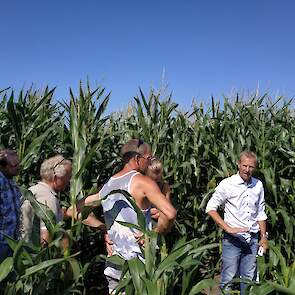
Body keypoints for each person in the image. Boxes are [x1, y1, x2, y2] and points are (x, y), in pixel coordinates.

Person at [81, 139, 177, 293]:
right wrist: (155, 233)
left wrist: (104, 228)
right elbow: (170, 213)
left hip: (114, 264)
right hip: (138, 269)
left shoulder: (108, 185)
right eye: (149, 158)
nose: (150, 162)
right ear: (138, 159)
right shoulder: (143, 182)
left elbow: (76, 210)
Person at [205, 151, 268, 295]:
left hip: (252, 239)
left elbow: (261, 213)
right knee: (228, 278)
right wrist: (227, 228)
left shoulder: (258, 185)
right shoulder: (227, 184)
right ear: (238, 164)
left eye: (251, 166)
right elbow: (210, 208)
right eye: (244, 165)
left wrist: (263, 237)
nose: (247, 169)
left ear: (255, 167)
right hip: (233, 240)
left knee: (249, 279)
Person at [21, 155, 72, 244]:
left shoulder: (33, 190)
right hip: (33, 253)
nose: (69, 181)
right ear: (56, 177)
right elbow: (46, 234)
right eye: (67, 177)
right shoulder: (48, 197)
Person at [0, 149, 21, 262]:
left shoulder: (12, 182)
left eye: (19, 164)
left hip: (12, 240)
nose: (18, 167)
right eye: (14, 165)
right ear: (2, 166)